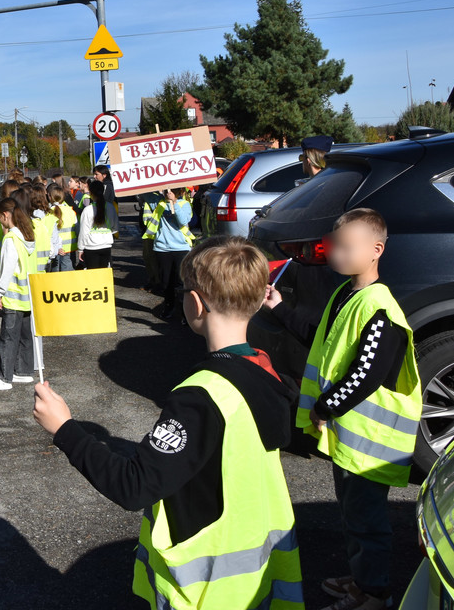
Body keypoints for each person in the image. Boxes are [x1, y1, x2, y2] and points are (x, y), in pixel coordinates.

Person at [33, 237, 304, 610]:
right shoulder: (268, 374)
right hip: (258, 578)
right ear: (259, 301)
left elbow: (134, 486)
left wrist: (65, 429)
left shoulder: (200, 396)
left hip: (206, 591)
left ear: (194, 304)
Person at [285, 209, 420, 610]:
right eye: (334, 246)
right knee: (352, 515)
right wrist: (278, 309)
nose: (335, 254)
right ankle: (363, 579)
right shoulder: (348, 295)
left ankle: (375, 593)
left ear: (376, 250)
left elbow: (366, 375)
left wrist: (325, 407)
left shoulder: (379, 309)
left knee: (366, 520)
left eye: (346, 248)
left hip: (371, 444)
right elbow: (324, 341)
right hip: (351, 439)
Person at [0, 196, 36, 392]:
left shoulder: (10, 239)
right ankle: (23, 371)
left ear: (5, 215)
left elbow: (7, 269)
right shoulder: (27, 235)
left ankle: (4, 377)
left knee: (8, 337)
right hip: (27, 295)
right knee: (24, 336)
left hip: (13, 296)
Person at [152, 186, 195, 320]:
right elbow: (145, 195)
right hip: (162, 247)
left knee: (181, 281)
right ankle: (169, 305)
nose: (168, 193)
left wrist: (174, 203)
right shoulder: (159, 203)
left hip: (181, 247)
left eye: (171, 191)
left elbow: (183, 221)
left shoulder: (185, 204)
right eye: (166, 191)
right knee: (166, 281)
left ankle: (185, 311)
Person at [76, 179, 116, 270]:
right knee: (103, 274)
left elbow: (84, 232)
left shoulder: (87, 210)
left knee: (93, 275)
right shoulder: (110, 207)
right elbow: (115, 227)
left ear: (91, 192)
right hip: (106, 245)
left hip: (91, 246)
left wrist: (81, 249)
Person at [28, 183, 61, 273]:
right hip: (47, 258)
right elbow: (55, 239)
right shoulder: (50, 215)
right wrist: (52, 254)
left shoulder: (28, 216)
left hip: (31, 259)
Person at [138, 190, 165, 293]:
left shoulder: (155, 197)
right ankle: (153, 280)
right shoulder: (152, 196)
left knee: (152, 258)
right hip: (148, 230)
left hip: (153, 231)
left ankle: (157, 283)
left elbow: (145, 194)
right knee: (147, 257)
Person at [48, 183, 78, 271]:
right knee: (68, 273)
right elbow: (77, 228)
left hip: (56, 248)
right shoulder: (70, 210)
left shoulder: (50, 212)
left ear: (50, 197)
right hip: (70, 247)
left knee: (55, 272)